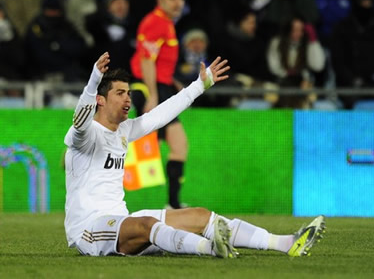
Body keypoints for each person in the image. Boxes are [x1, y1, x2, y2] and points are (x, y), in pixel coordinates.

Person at [64, 51, 326, 257]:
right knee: (146, 225)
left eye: (129, 93)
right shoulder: (85, 136)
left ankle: (286, 242)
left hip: (120, 220)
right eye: (120, 93)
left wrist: (199, 85)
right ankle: (212, 249)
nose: (128, 99)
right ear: (100, 100)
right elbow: (79, 124)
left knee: (200, 216)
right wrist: (93, 83)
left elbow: (162, 113)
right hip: (89, 229)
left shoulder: (125, 130)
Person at [129, 0, 188, 209]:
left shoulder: (166, 24)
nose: (178, 3)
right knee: (177, 145)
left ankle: (173, 204)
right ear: (160, 0)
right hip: (150, 88)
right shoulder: (156, 23)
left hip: (161, 87)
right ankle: (173, 204)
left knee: (176, 146)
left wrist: (172, 82)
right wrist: (153, 95)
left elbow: (157, 61)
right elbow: (145, 59)